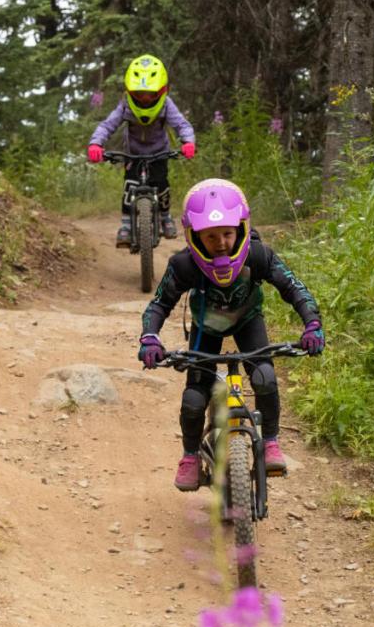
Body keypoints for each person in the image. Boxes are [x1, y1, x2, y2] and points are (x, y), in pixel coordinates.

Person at [137, 178, 325, 491]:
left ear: (241, 228)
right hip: (205, 325)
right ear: (194, 236)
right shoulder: (184, 265)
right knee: (194, 397)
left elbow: (294, 288)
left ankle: (272, 443)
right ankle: (190, 456)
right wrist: (150, 337)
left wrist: (312, 324)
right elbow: (158, 304)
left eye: (227, 233)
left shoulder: (258, 255)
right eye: (211, 237)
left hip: (247, 319)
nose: (221, 242)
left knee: (264, 375)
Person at [87, 54, 196, 245]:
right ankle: (127, 225)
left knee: (162, 184)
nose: (145, 99)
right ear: (130, 91)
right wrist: (96, 144)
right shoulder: (126, 105)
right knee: (130, 186)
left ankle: (165, 217)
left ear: (162, 91)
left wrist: (188, 142)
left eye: (151, 94)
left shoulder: (166, 104)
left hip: (159, 152)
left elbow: (182, 125)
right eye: (140, 93)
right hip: (133, 153)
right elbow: (107, 126)